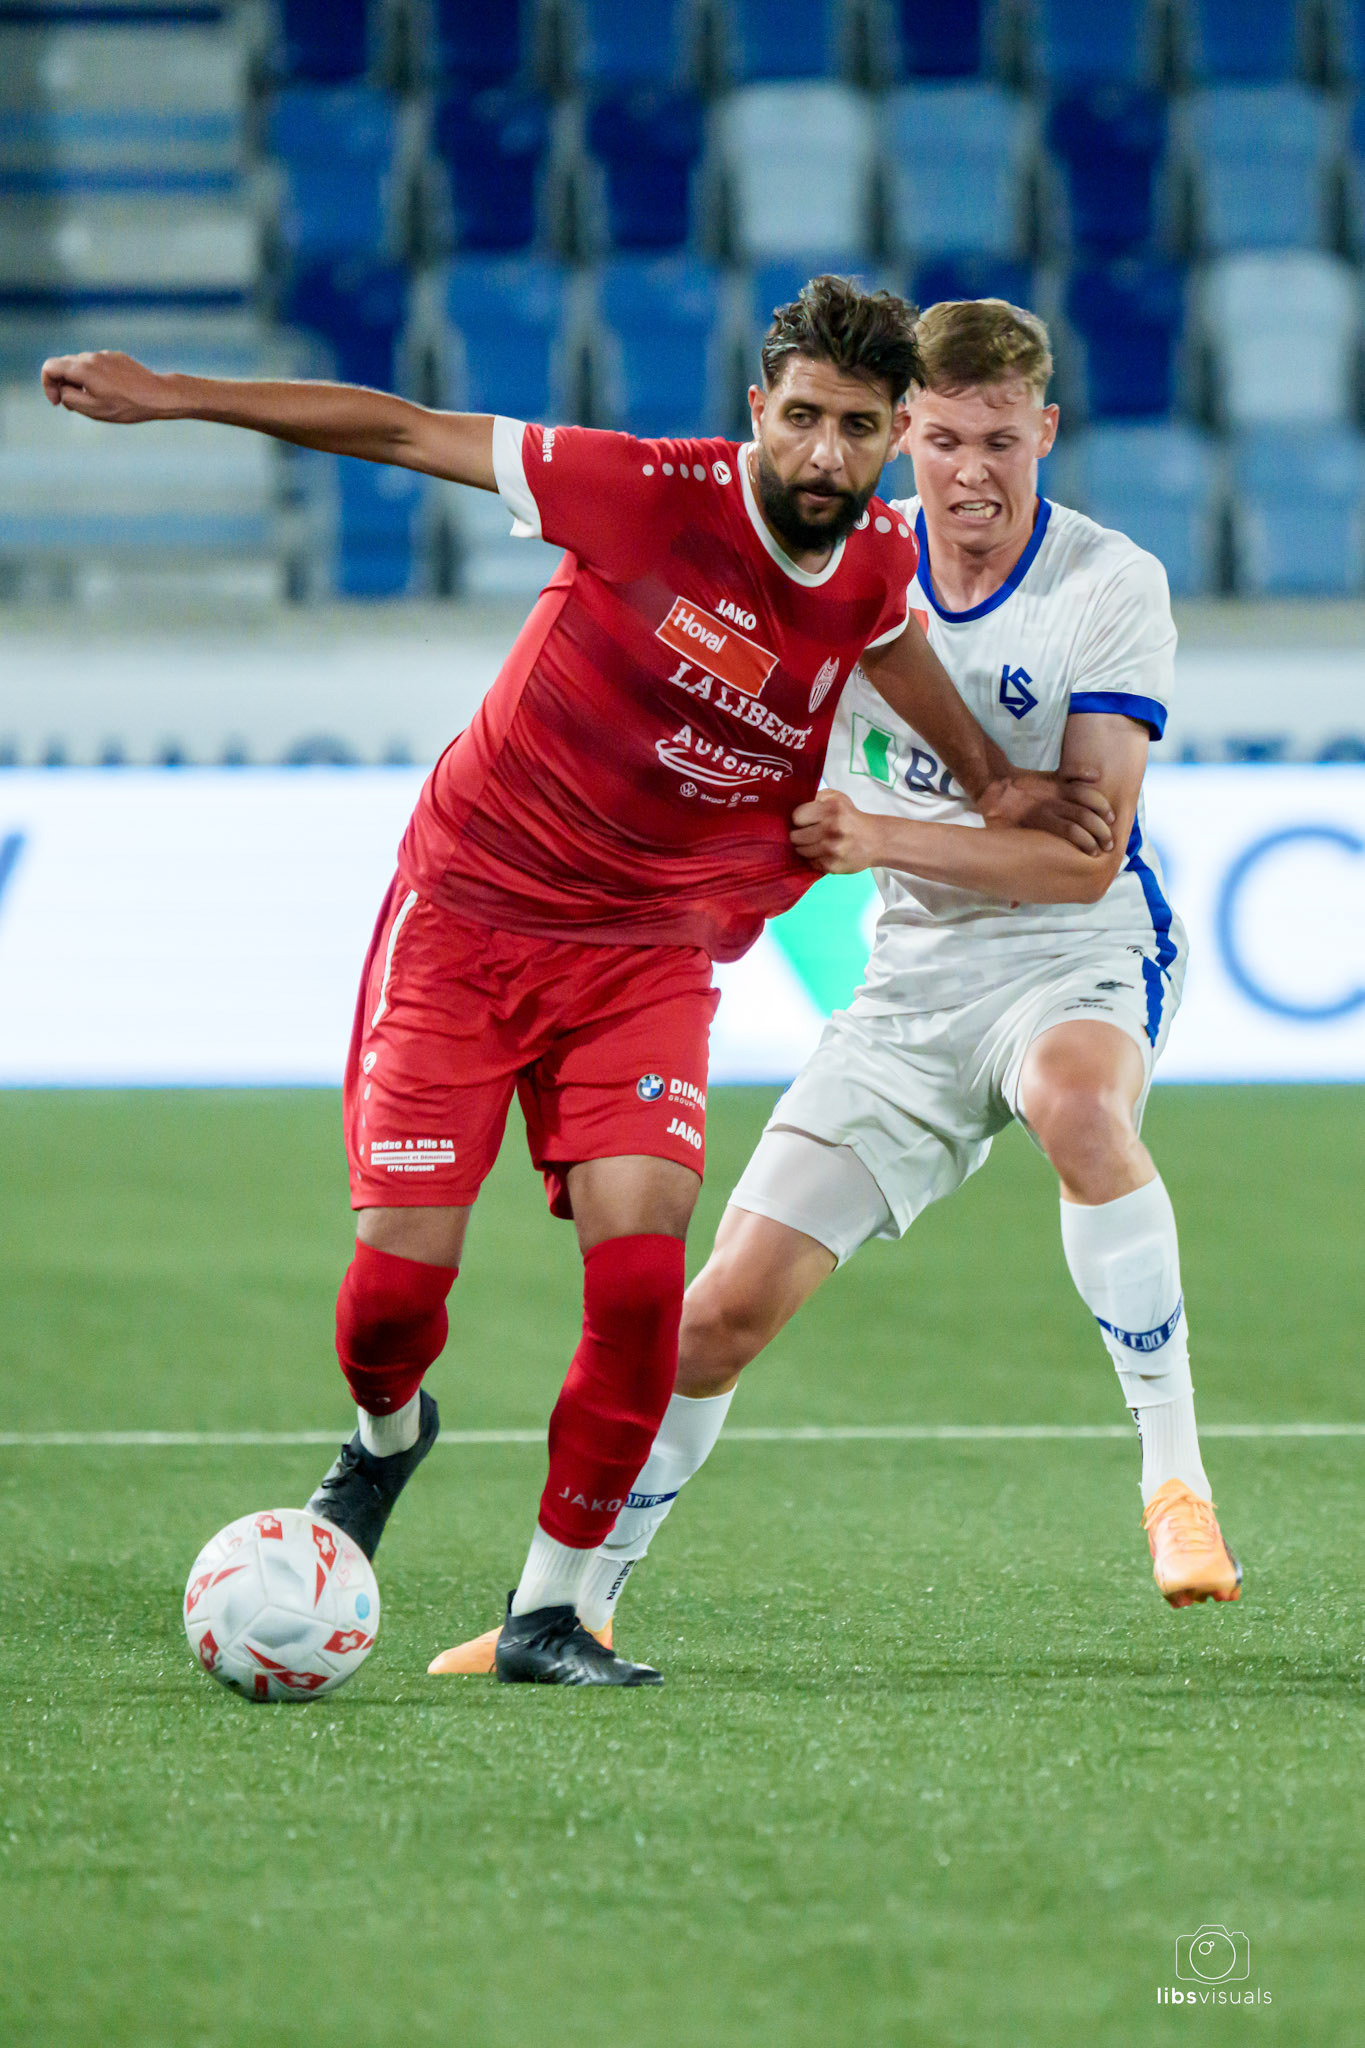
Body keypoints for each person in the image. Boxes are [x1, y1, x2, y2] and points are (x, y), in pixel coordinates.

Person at [41, 279, 1114, 1688]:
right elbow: (408, 428)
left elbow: (883, 637)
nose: (822, 458)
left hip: (649, 952)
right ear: (758, 410)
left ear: (889, 433)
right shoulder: (633, 491)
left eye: (856, 431)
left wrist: (988, 782)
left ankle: (550, 1610)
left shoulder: (867, 563)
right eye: (799, 421)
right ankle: (385, 1436)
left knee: (638, 1278)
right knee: (387, 1298)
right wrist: (177, 395)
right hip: (473, 917)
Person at [483, 295, 1238, 1666]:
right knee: (716, 1315)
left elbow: (1082, 858)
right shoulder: (846, 577)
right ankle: (571, 1606)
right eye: (941, 440)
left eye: (1000, 442)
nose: (970, 473)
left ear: (1043, 433)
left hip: (1075, 952)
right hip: (908, 985)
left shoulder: (1104, 584)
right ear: (901, 442)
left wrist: (878, 834)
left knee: (1079, 1107)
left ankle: (1174, 1483)